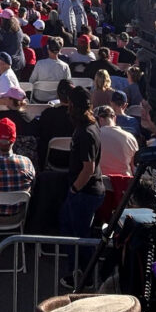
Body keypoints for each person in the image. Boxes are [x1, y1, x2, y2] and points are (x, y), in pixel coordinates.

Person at [58, 86, 105, 289]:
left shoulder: (85, 133)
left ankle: (83, 277)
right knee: (70, 228)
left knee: (79, 236)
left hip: (85, 192)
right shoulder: (90, 127)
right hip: (86, 191)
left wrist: (74, 189)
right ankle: (78, 271)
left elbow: (88, 168)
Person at [95, 105, 138, 176]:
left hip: (101, 182)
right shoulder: (130, 137)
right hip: (125, 183)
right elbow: (134, 167)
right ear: (114, 118)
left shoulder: (94, 136)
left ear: (99, 119)